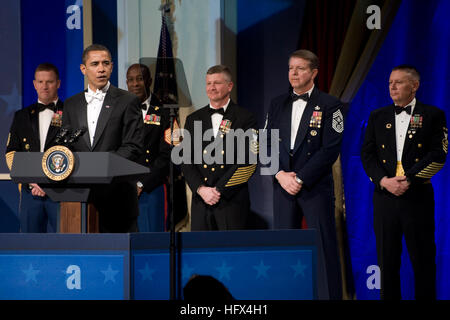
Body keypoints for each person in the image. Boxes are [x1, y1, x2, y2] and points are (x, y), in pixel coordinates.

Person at [361, 65, 447, 300]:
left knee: (423, 262)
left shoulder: (433, 115)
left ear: (414, 86)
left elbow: (438, 154)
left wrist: (408, 179)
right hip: (385, 198)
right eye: (390, 82)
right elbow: (366, 154)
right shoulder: (377, 116)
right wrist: (383, 181)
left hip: (417, 196)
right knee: (386, 262)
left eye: (398, 82)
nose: (392, 86)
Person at [266, 49, 344, 299]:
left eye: (300, 68)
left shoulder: (331, 104)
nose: (294, 73)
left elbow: (330, 149)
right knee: (283, 248)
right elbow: (265, 144)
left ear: (314, 72)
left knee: (323, 249)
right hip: (282, 187)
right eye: (290, 68)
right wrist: (279, 175)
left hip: (314, 187)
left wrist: (299, 178)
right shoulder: (277, 103)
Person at [62, 44, 144, 233]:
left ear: (112, 67)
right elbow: (66, 145)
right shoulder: (71, 104)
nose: (101, 69)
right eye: (95, 64)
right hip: (81, 199)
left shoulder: (128, 100)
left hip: (119, 197)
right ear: (83, 69)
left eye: (105, 63)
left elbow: (133, 146)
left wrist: (101, 167)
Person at [181, 65, 257, 231]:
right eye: (208, 83)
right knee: (201, 254)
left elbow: (249, 160)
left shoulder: (246, 118)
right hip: (201, 202)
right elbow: (186, 160)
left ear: (229, 86)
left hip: (232, 201)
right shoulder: (193, 119)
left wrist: (218, 190)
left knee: (232, 254)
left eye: (217, 83)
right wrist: (202, 189)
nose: (212, 88)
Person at [6, 63, 63, 232]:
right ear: (34, 84)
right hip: (31, 192)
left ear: (58, 83)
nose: (44, 86)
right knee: (30, 244)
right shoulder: (21, 116)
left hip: (61, 192)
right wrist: (32, 181)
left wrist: (49, 183)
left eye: (49, 82)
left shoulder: (71, 113)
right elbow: (11, 154)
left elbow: (76, 152)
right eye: (40, 82)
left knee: (68, 243)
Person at [126, 63, 170, 232]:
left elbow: (168, 155)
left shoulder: (165, 113)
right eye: (131, 80)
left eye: (140, 79)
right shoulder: (118, 112)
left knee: (150, 240)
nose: (135, 84)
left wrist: (140, 183)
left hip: (150, 188)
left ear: (149, 80)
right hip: (123, 190)